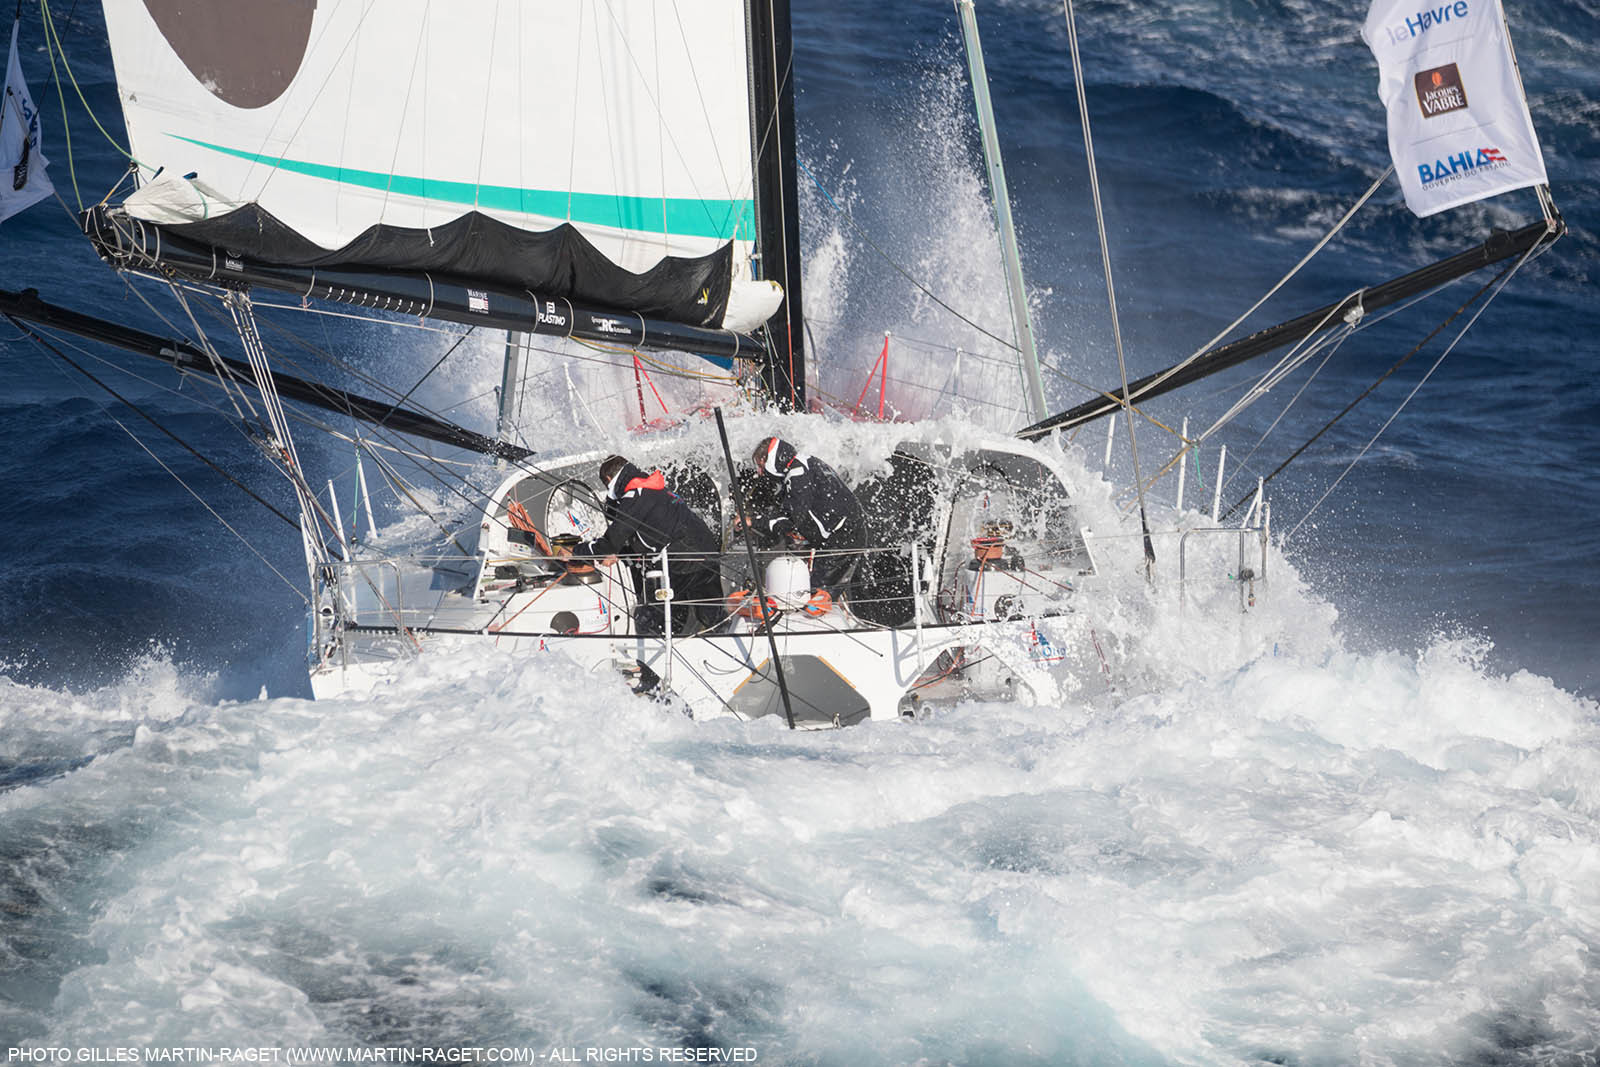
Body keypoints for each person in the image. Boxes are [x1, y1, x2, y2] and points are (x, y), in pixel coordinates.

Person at [559, 455, 723, 641]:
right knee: (711, 616)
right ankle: (729, 651)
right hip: (706, 550)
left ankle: (649, 666)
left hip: (683, 560)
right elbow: (648, 535)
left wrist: (575, 551)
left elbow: (609, 543)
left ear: (608, 479)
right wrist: (618, 554)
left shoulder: (635, 496)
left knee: (649, 618)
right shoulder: (652, 488)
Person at [741, 436, 866, 594]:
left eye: (761, 465)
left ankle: (823, 607)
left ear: (771, 458)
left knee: (818, 592)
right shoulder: (805, 461)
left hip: (842, 538)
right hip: (844, 533)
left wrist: (753, 522)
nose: (760, 473)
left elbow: (792, 519)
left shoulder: (797, 474)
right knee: (816, 588)